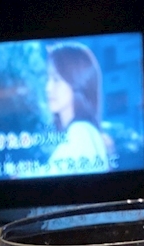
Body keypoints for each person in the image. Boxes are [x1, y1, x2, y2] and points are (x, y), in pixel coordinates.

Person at [45, 43, 111, 175]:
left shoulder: (81, 133)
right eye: (48, 79)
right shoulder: (82, 132)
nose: (48, 88)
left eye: (56, 79)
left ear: (77, 81)